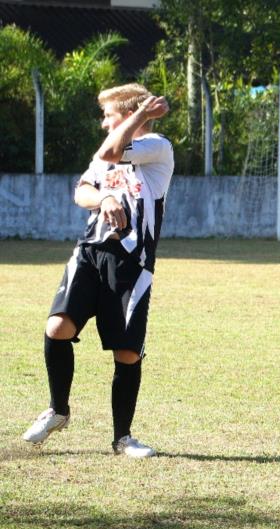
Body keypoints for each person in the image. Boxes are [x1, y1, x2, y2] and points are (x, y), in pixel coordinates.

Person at [21, 83, 174, 458]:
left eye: (109, 116)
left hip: (132, 262)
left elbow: (111, 150)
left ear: (128, 115)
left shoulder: (157, 146)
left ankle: (123, 438)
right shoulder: (107, 154)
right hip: (90, 252)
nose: (104, 123)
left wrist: (140, 115)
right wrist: (104, 196)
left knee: (126, 352)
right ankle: (58, 411)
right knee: (57, 327)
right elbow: (81, 191)